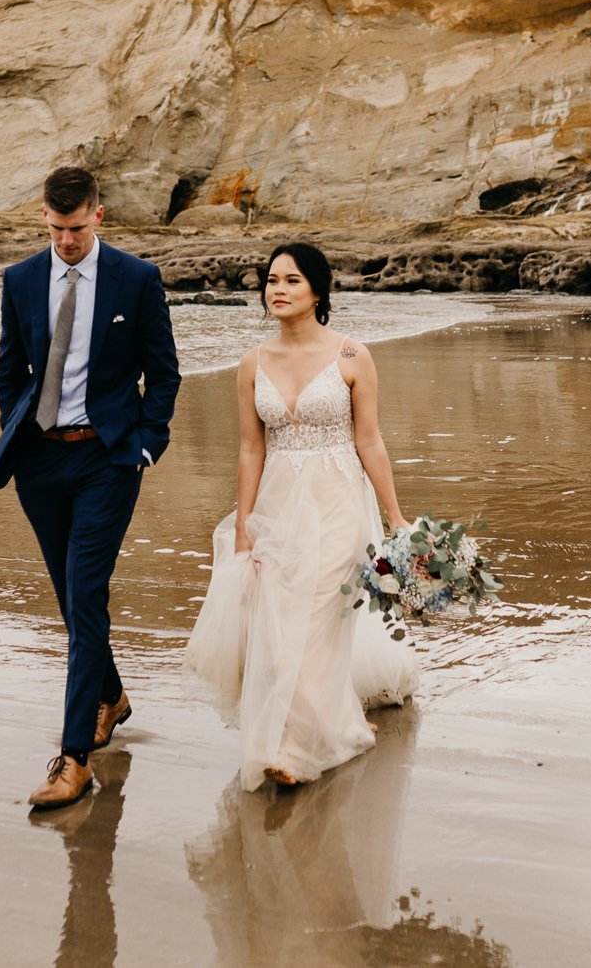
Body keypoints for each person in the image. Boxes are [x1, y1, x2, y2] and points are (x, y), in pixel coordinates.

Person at [183, 241, 419, 791]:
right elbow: (250, 450)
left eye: (292, 280)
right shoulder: (252, 363)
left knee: (314, 615)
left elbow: (369, 441)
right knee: (278, 617)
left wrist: (395, 516)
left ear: (318, 291)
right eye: (272, 280)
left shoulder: (352, 356)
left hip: (339, 502)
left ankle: (297, 748)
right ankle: (321, 726)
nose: (279, 290)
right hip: (277, 506)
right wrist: (244, 524)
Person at [0, 166, 180, 811]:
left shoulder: (137, 278)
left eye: (75, 228)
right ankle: (111, 695)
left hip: (107, 459)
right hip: (40, 462)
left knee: (85, 594)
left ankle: (74, 759)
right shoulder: (20, 279)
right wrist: (16, 431)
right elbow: (10, 369)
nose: (66, 241)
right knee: (71, 599)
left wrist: (146, 444)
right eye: (55, 229)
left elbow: (163, 373)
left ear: (98, 215)